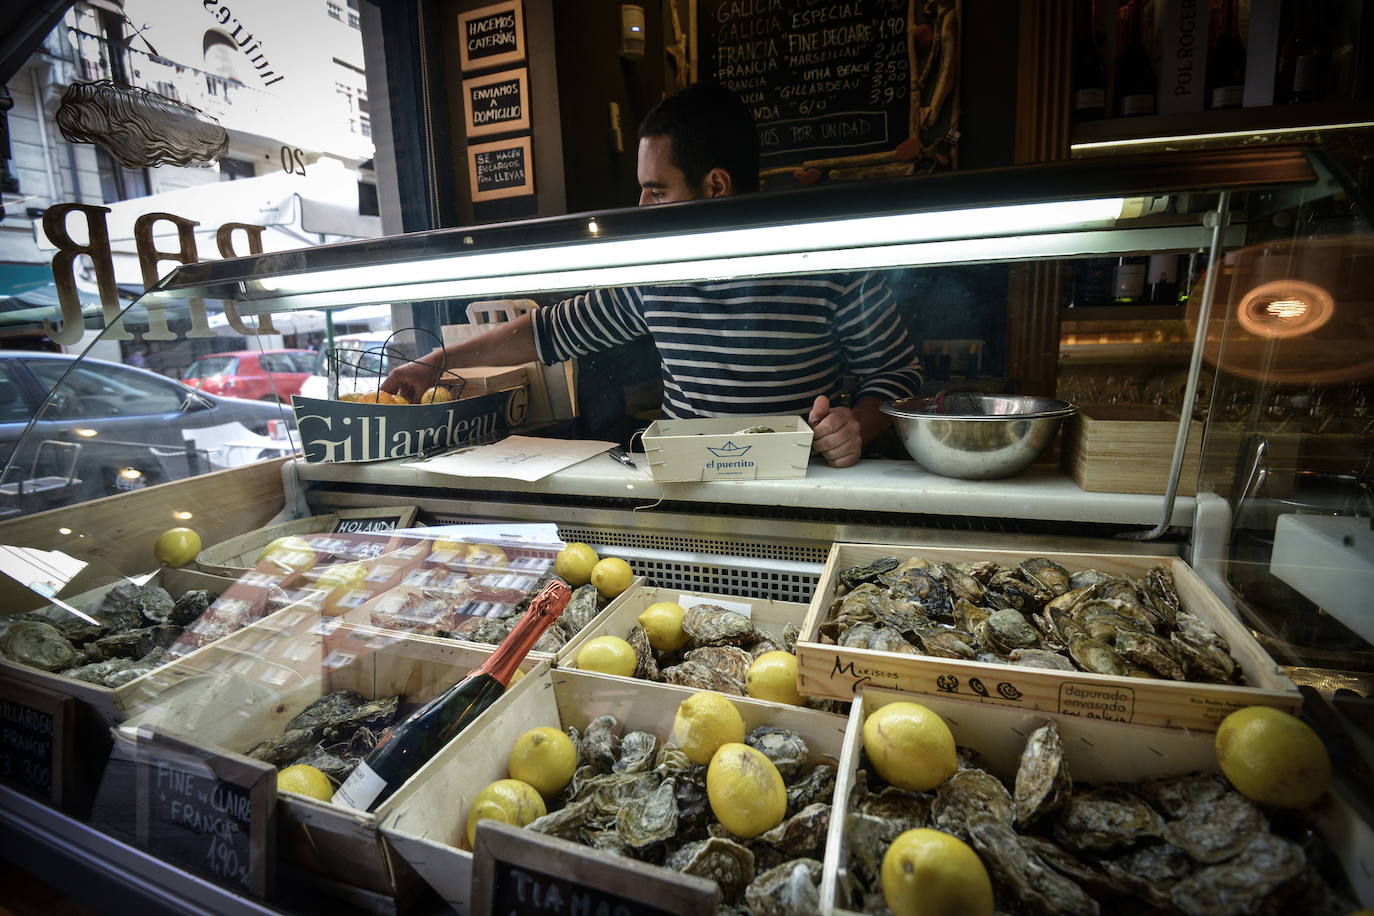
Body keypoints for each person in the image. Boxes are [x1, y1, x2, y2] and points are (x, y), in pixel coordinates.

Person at [385, 82, 922, 467]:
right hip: (689, 482)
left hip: (802, 480)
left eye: (656, 190)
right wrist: (435, 363)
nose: (641, 206)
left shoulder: (828, 266)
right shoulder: (655, 275)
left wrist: (856, 424)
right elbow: (544, 332)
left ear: (715, 186)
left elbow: (899, 379)